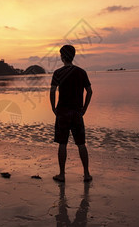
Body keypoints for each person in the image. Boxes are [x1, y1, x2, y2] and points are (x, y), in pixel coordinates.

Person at [50, 45, 93, 182]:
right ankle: (86, 174)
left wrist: (53, 107)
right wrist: (84, 108)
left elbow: (52, 91)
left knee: (62, 143)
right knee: (81, 143)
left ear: (62, 57)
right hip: (76, 112)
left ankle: (62, 174)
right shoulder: (81, 72)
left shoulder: (58, 73)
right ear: (73, 56)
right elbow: (90, 91)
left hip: (62, 112)